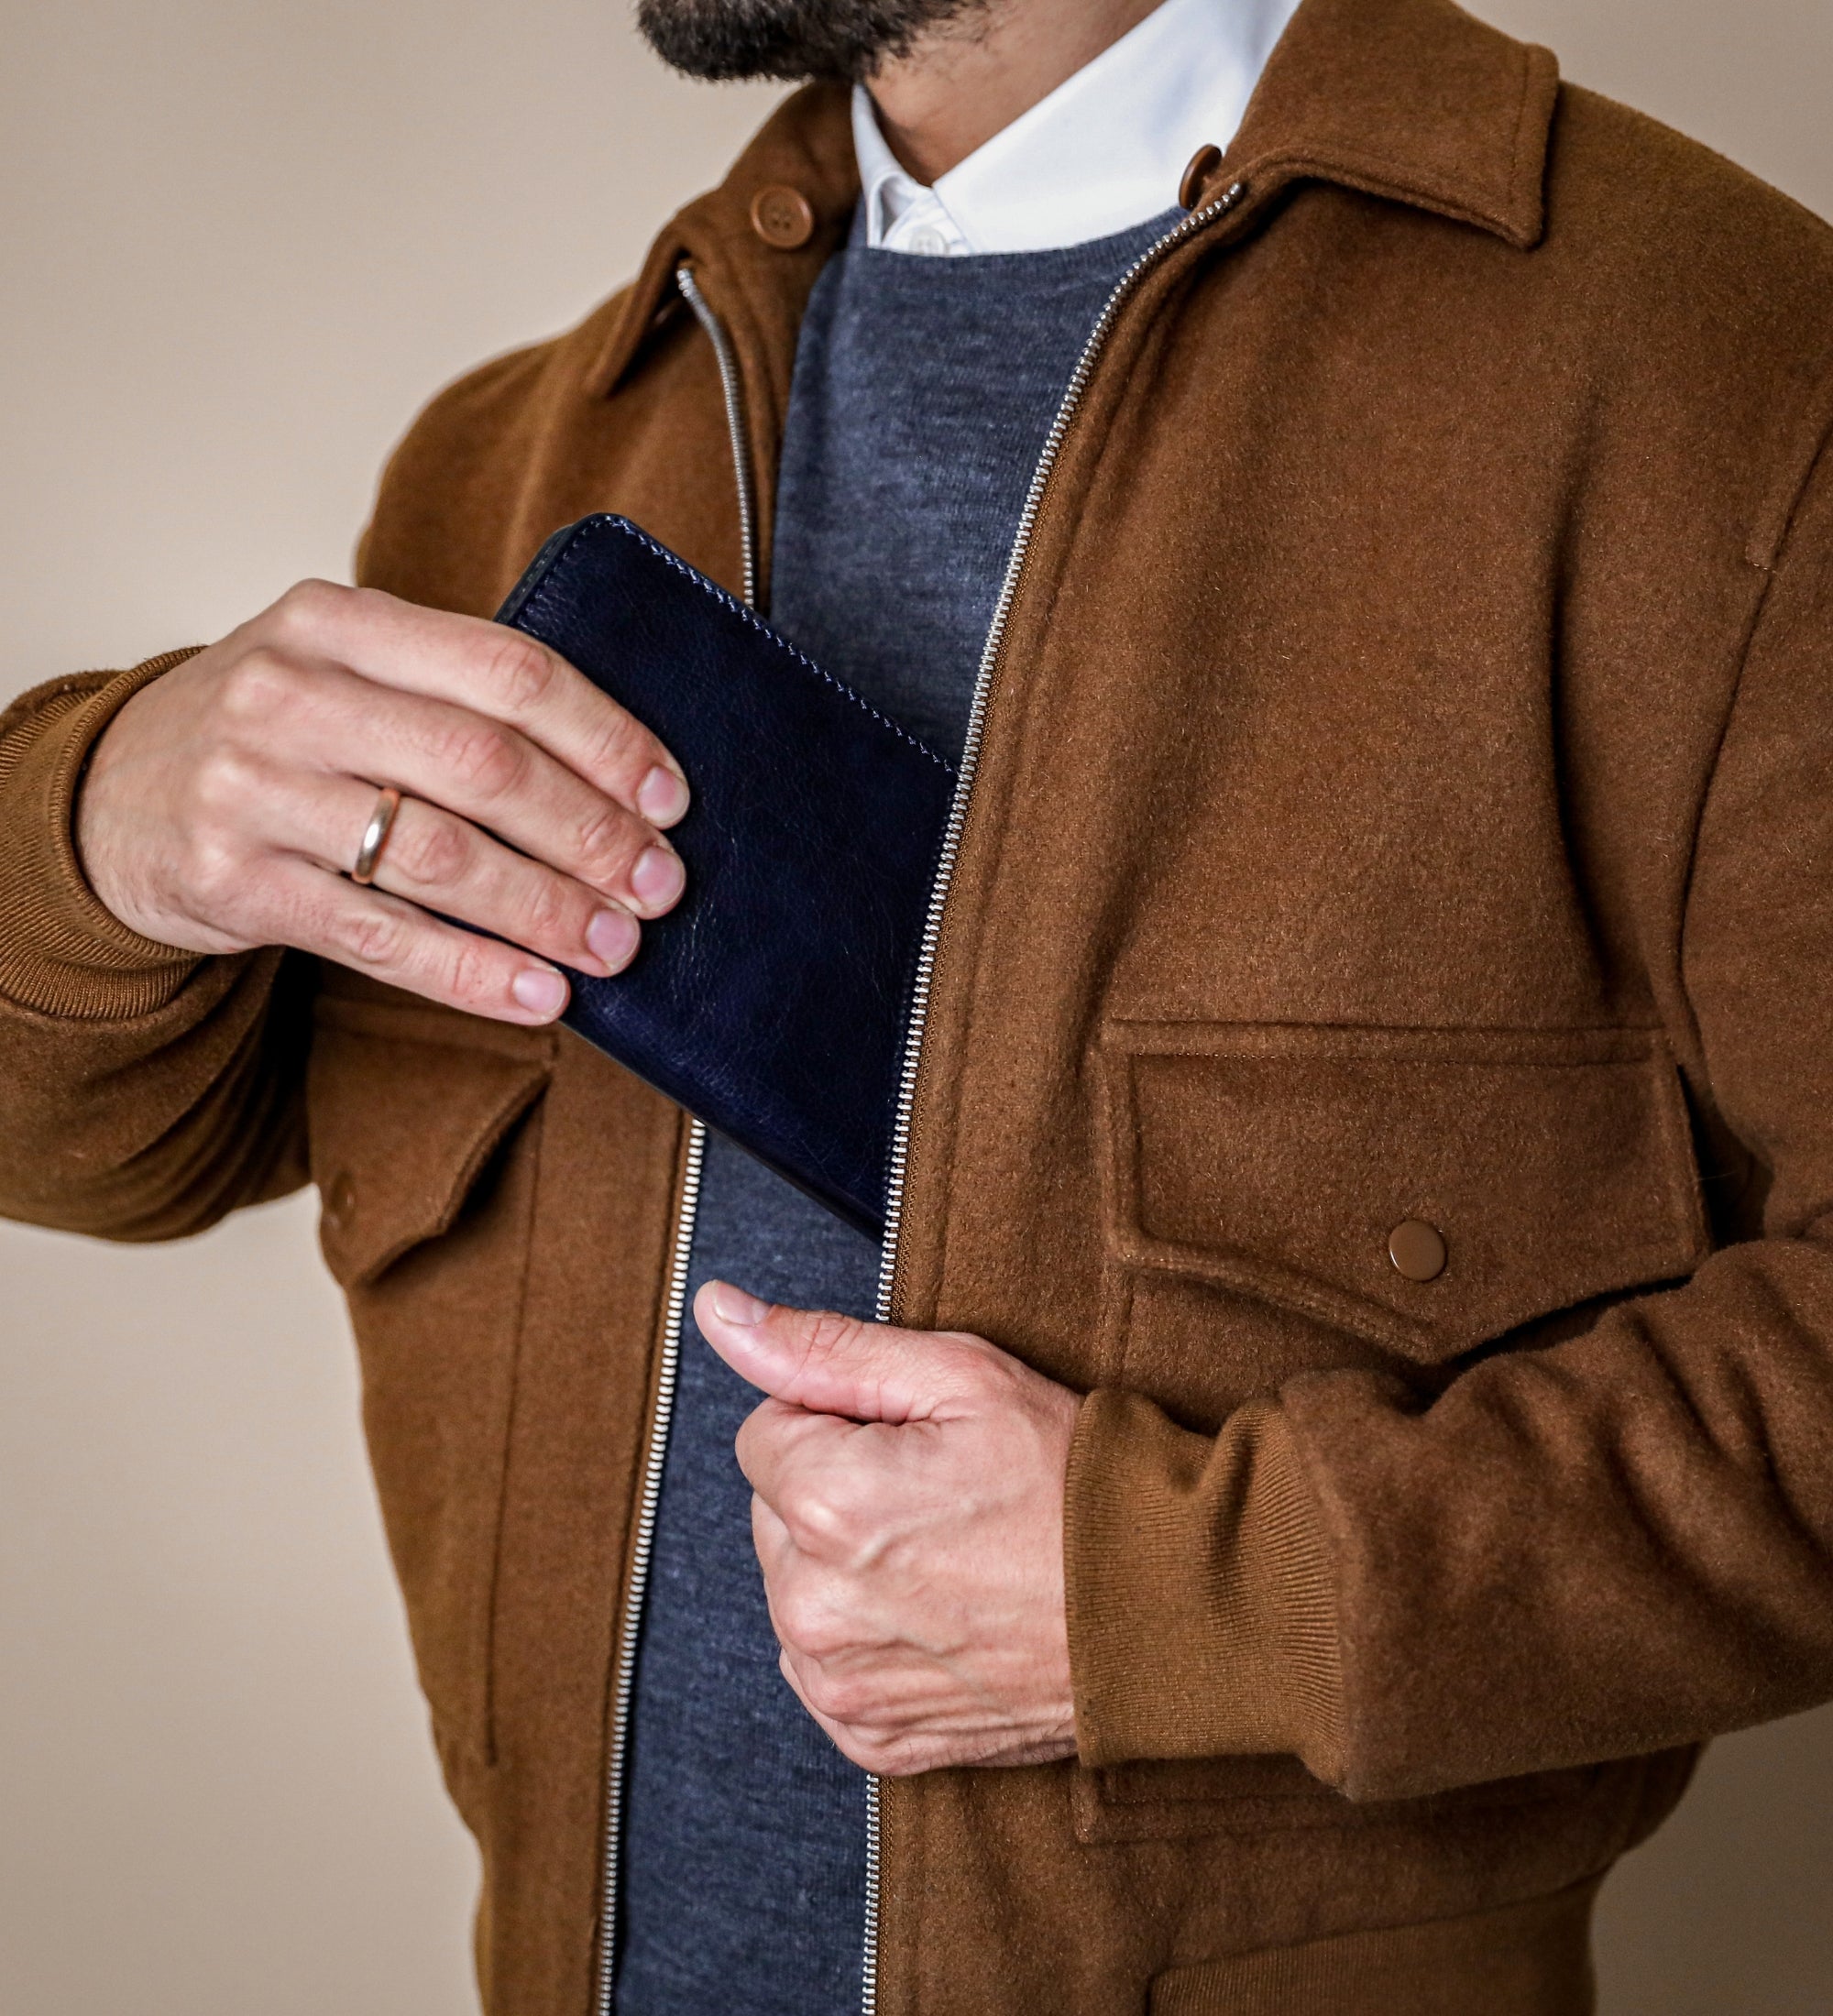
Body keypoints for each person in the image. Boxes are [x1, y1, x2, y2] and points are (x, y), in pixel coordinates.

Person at [4, 0, 1833, 2006]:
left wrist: (1185, 1599)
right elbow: (107, 1153)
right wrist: (95, 821)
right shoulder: (511, 465)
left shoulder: (1727, 368)